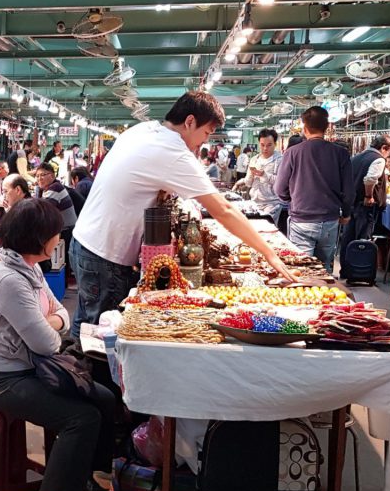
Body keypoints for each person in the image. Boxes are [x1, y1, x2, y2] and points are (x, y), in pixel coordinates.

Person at [70, 91, 295, 335]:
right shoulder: (173, 152)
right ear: (189, 122)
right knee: (101, 339)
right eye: (206, 133)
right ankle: (84, 373)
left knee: (84, 327)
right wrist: (268, 253)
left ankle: (70, 369)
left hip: (84, 242)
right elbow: (223, 209)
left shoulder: (145, 129)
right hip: (105, 256)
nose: (204, 142)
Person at [0, 198, 116, 491]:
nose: (59, 238)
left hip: (28, 368)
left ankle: (79, 482)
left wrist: (53, 321)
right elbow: (48, 343)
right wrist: (54, 322)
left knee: (106, 400)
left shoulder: (28, 268)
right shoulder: (8, 279)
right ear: (38, 238)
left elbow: (63, 313)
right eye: (54, 233)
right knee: (80, 418)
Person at [274, 106, 354, 273]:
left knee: (301, 269)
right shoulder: (341, 153)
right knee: (324, 270)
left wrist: (294, 199)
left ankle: (306, 297)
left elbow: (280, 188)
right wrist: (346, 213)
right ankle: (326, 295)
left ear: (304, 128)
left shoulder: (292, 153)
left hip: (301, 219)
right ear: (327, 127)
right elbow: (348, 190)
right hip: (330, 220)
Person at [341, 135, 390, 252]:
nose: (389, 154)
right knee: (362, 241)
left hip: (353, 203)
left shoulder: (357, 157)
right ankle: (359, 268)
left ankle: (346, 268)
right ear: (384, 148)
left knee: (348, 238)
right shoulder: (378, 159)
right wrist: (368, 196)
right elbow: (370, 179)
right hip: (365, 206)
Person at [234, 129, 284, 227]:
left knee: (267, 229)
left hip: (272, 204)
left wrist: (264, 175)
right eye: (262, 145)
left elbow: (281, 182)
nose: (265, 148)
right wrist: (249, 177)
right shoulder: (254, 159)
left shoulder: (281, 160)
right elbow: (248, 183)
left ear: (275, 144)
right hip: (255, 202)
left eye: (269, 145)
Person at [34, 162, 77, 266]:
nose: (39, 178)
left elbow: (41, 211)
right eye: (37, 176)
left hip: (67, 232)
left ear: (52, 176)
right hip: (66, 230)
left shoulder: (55, 188)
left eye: (43, 175)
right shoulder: (49, 188)